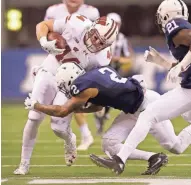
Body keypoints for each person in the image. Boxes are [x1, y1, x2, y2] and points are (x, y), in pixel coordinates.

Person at [25, 62, 191, 175]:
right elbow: (98, 106)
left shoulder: (83, 88)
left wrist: (37, 105)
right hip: (132, 108)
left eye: (64, 85)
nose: (66, 90)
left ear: (70, 79)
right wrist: (76, 110)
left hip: (148, 105)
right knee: (109, 142)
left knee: (176, 146)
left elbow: (61, 111)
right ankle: (154, 158)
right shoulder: (97, 73)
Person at [89, 0, 191, 175]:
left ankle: (120, 159)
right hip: (186, 88)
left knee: (147, 116)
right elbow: (182, 66)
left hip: (188, 91)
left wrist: (181, 67)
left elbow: (183, 66)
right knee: (176, 144)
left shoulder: (175, 25)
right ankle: (120, 159)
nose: (159, 19)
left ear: (168, 13)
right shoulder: (178, 31)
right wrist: (162, 62)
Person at [13, 15, 118, 175]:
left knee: (58, 127)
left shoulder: (103, 57)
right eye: (96, 37)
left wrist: (86, 101)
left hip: (70, 84)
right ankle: (24, 164)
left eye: (102, 43)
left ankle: (69, 138)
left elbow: (94, 82)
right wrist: (43, 41)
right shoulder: (76, 23)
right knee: (34, 117)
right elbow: (42, 25)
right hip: (51, 69)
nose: (97, 43)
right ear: (91, 28)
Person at [44, 0, 100, 151]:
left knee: (77, 95)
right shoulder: (53, 10)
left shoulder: (92, 12)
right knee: (70, 97)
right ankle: (86, 132)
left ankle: (87, 131)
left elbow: (97, 39)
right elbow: (46, 31)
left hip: (83, 59)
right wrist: (52, 41)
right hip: (61, 58)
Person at [94, 12, 135, 135]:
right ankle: (100, 112)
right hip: (99, 69)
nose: (115, 26)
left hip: (114, 71)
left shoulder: (122, 39)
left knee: (110, 97)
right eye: (113, 23)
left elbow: (128, 59)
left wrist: (117, 59)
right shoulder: (97, 34)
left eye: (117, 24)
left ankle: (103, 114)